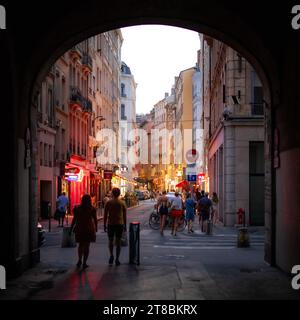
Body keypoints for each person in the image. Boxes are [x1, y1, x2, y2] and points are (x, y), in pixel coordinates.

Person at [70, 194, 98, 269]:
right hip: (89, 228)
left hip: (79, 228)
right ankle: (84, 262)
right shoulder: (92, 209)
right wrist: (96, 228)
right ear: (90, 200)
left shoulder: (77, 208)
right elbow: (95, 219)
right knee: (87, 246)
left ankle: (79, 260)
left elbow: (74, 220)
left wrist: (71, 228)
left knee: (80, 245)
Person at [103, 187, 127, 266]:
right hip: (119, 224)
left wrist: (104, 225)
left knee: (110, 241)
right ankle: (117, 258)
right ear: (119, 193)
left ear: (112, 193)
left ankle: (111, 255)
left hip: (111, 224)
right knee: (118, 241)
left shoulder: (109, 202)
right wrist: (125, 225)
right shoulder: (122, 203)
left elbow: (105, 215)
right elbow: (124, 216)